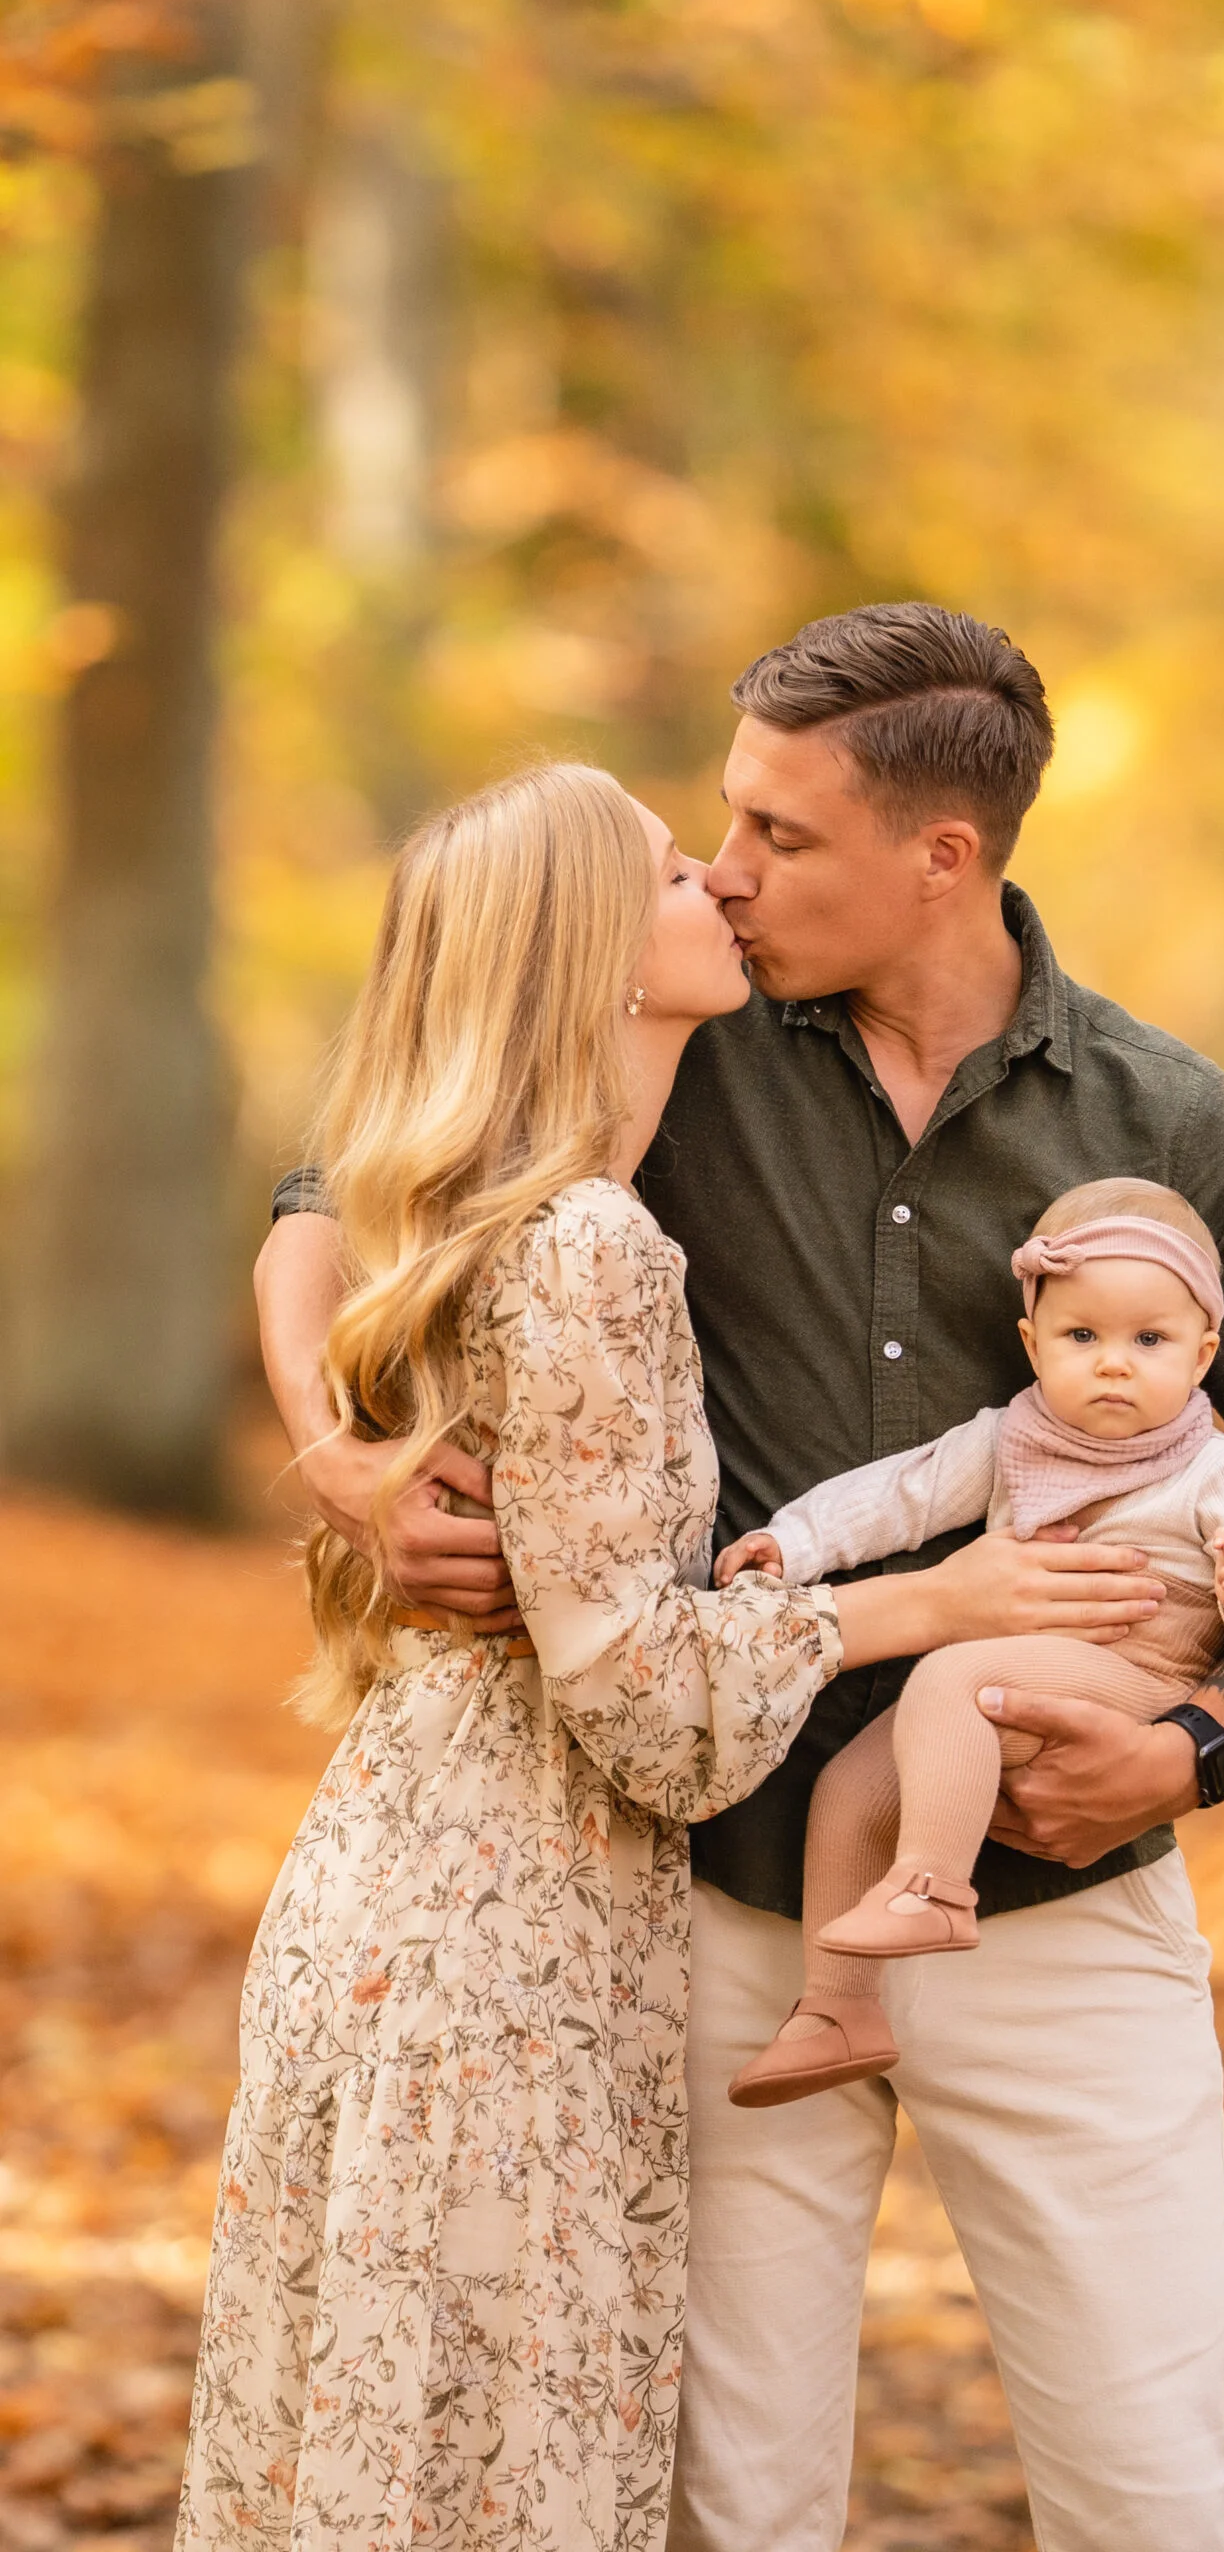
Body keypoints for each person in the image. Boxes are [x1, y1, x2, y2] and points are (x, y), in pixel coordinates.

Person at [258, 604, 1224, 2552]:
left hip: (1060, 1918)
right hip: (717, 1912)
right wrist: (345, 1458)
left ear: (942, 856)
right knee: (731, 2507)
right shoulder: (686, 1039)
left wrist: (1201, 1742)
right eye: (721, 825)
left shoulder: (1163, 1121)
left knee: (1151, 2495)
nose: (723, 869)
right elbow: (337, 1191)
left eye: (777, 835)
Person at [177, 762, 1071, 2552]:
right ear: (595, 954)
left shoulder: (513, 1206)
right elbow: (648, 1715)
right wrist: (933, 1601)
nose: (722, 889)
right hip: (501, 1946)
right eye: (678, 871)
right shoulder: (588, 1244)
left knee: (385, 2460)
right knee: (488, 2478)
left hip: (413, 1896)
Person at [712, 1176, 1224, 2105]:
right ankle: (836, 2012)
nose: (1113, 1364)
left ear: (1202, 1357)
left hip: (1141, 1671)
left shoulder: (1218, 1469)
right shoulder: (1013, 1439)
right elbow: (899, 1495)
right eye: (1082, 1337)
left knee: (956, 1676)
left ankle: (933, 1888)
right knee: (851, 1785)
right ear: (1032, 1346)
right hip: (1011, 1669)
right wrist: (789, 1543)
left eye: (1147, 1341)